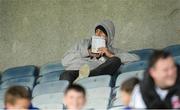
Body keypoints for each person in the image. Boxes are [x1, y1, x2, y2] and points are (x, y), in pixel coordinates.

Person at [60, 20, 139, 83]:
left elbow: (135, 58)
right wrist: (88, 52)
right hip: (76, 72)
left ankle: (90, 76)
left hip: (97, 71)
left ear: (108, 37)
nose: (97, 34)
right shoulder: (82, 44)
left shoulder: (112, 50)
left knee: (115, 60)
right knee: (65, 75)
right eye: (96, 31)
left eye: (101, 32)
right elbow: (64, 61)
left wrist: (110, 54)